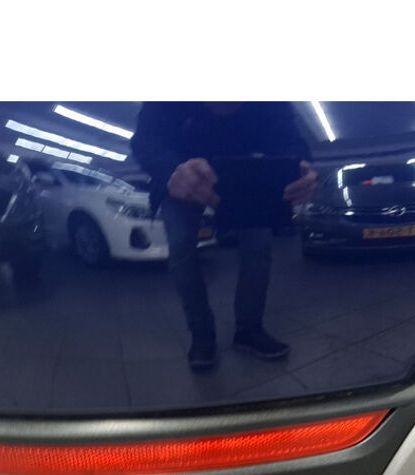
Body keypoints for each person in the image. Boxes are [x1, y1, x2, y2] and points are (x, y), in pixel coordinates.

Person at [131, 102, 317, 370]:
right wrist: (170, 169)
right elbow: (145, 140)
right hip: (181, 174)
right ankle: (202, 334)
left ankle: (249, 329)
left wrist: (299, 166)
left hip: (245, 172)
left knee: (258, 246)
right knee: (182, 248)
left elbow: (290, 139)